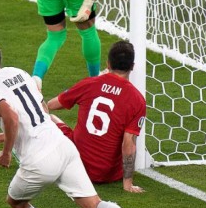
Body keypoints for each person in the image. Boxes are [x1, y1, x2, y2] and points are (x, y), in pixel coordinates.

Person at [0, 42, 166, 208]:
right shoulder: (18, 72)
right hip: (64, 147)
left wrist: (5, 152)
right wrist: (8, 135)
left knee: (16, 202)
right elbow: (40, 109)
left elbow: (12, 117)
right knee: (95, 204)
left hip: (39, 160)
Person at [47, 40, 146, 191]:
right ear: (132, 66)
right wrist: (128, 184)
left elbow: (51, 105)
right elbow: (129, 144)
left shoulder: (89, 84)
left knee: (46, 117)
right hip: (110, 174)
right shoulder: (137, 100)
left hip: (76, 167)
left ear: (108, 64)